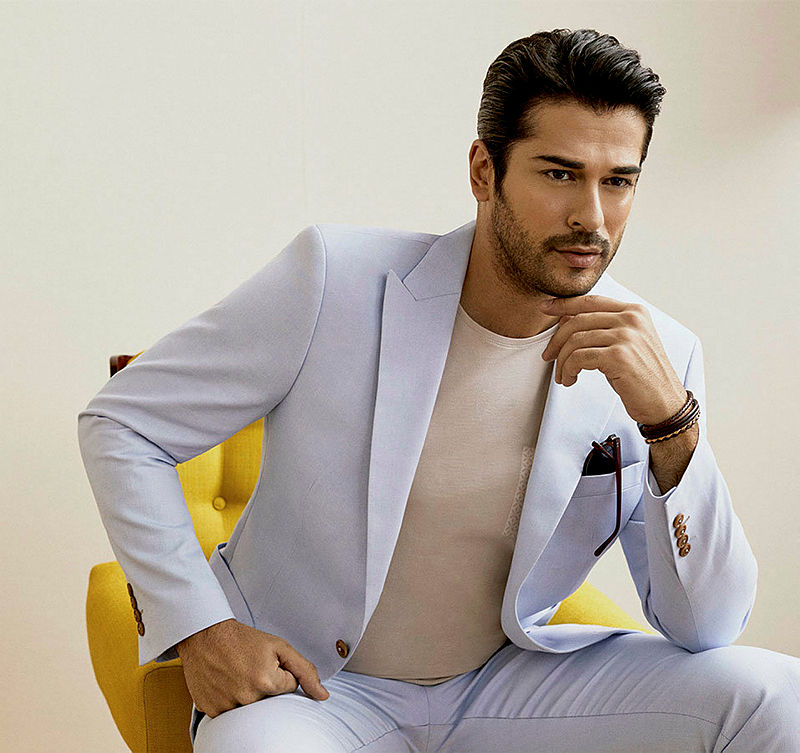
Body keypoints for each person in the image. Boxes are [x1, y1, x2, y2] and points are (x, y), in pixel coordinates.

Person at [79, 28, 800, 752]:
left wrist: (672, 424)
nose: (592, 216)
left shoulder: (659, 353)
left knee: (777, 698)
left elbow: (708, 627)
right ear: (484, 171)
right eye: (559, 174)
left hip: (513, 684)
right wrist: (203, 628)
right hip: (316, 687)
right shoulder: (334, 281)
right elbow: (122, 423)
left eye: (618, 180)